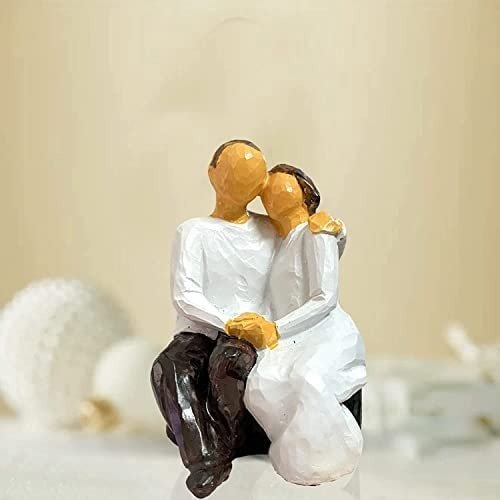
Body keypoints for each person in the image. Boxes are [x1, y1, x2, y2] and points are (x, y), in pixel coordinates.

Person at [151, 140, 279, 498]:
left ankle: (209, 436)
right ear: (212, 174)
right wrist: (227, 322)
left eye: (252, 177)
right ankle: (207, 461)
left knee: (230, 364)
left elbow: (311, 256)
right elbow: (185, 294)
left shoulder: (271, 230)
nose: (241, 183)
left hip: (249, 333)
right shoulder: (194, 232)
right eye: (233, 173)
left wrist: (333, 232)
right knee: (168, 368)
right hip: (201, 329)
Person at [227, 164, 366, 486]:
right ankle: (295, 452)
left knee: (307, 379)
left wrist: (276, 329)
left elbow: (324, 297)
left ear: (306, 193)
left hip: (323, 330)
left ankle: (332, 453)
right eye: (268, 189)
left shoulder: (317, 231)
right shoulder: (278, 243)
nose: (273, 191)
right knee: (261, 384)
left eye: (282, 184)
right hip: (289, 337)